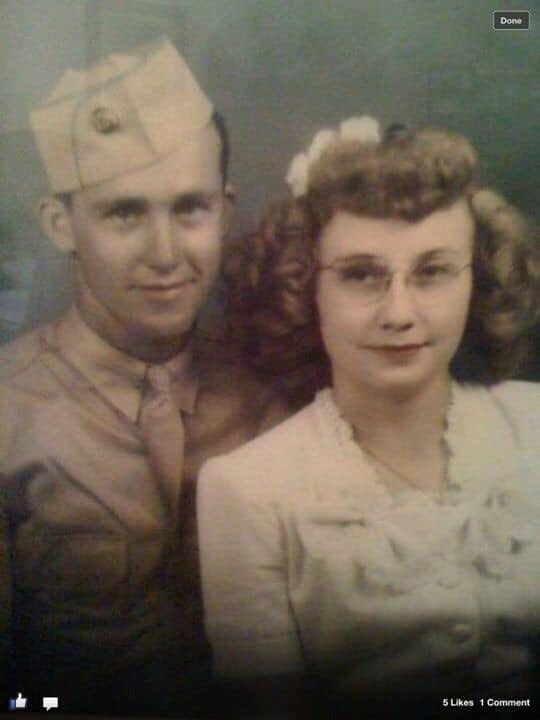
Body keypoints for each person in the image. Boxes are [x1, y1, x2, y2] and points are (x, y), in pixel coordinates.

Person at [198, 117, 540, 717]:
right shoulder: (248, 489)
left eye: (433, 272)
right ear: (305, 286)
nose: (400, 313)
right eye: (361, 275)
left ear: (477, 280)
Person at [0, 38, 295, 716]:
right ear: (59, 222)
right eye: (124, 213)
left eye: (189, 208)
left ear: (224, 211)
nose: (165, 254)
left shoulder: (276, 394)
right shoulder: (7, 413)